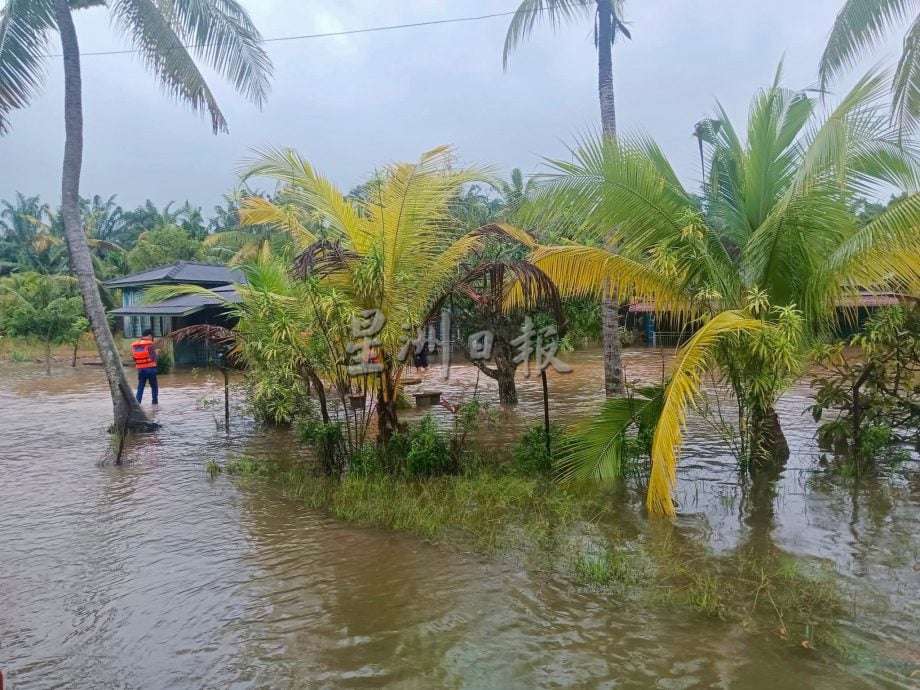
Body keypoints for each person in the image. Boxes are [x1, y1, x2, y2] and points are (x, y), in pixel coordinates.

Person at [132, 329, 159, 405]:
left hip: (140, 370)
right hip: (150, 369)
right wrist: (157, 353)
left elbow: (134, 358)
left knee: (140, 387)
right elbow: (154, 359)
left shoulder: (135, 345)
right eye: (152, 336)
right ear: (149, 336)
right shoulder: (149, 344)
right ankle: (155, 404)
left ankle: (137, 404)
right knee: (154, 387)